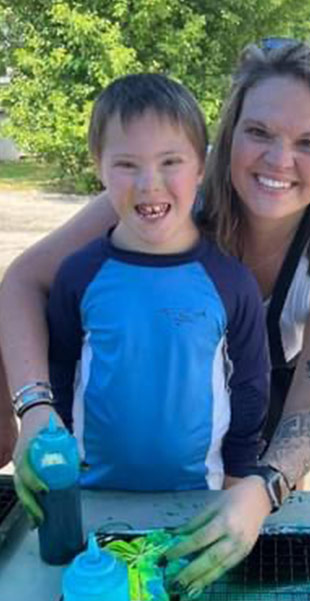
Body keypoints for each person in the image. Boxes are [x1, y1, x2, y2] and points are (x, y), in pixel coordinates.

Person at [0, 40, 310, 594]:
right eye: (259, 133)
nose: (278, 160)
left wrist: (259, 489)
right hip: (130, 429)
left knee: (232, 582)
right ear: (227, 136)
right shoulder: (164, 197)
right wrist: (34, 411)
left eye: (307, 142)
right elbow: (21, 283)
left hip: (256, 427)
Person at [7, 72, 270, 521]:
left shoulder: (231, 282)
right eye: (127, 164)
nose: (150, 183)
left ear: (201, 167)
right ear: (98, 166)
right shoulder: (78, 275)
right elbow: (61, 374)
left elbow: (249, 389)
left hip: (197, 502)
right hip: (91, 499)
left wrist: (238, 480)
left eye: (171, 161)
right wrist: (56, 461)